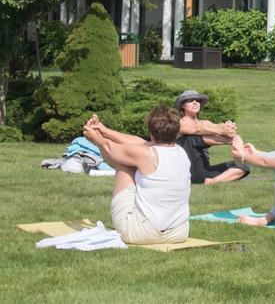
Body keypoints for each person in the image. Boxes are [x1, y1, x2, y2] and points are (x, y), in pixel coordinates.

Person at [82, 107, 191, 245]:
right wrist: (104, 130)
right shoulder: (182, 153)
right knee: (132, 158)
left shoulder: (146, 155)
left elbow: (109, 148)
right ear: (176, 133)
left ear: (151, 133)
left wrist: (95, 138)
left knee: (124, 163)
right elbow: (139, 142)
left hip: (142, 233)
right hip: (178, 233)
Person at [175, 89, 249, 185]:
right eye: (190, 101)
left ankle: (212, 182)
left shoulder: (206, 123)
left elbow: (219, 129)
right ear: (182, 105)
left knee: (242, 166)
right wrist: (221, 130)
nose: (195, 103)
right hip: (187, 172)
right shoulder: (179, 122)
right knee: (191, 137)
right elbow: (197, 129)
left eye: (197, 101)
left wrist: (229, 128)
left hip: (203, 172)